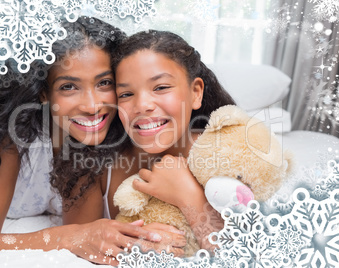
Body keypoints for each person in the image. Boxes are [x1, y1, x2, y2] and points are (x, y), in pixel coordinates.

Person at [0, 18, 185, 266]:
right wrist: (67, 237)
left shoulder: (125, 128)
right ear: (44, 92)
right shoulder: (12, 136)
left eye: (104, 83)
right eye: (68, 86)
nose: (92, 106)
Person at [51, 29, 235, 254]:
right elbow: (75, 248)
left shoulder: (227, 154)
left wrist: (190, 197)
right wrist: (131, 243)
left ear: (195, 92)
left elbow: (247, 257)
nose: (142, 106)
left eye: (161, 87)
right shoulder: (93, 162)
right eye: (126, 94)